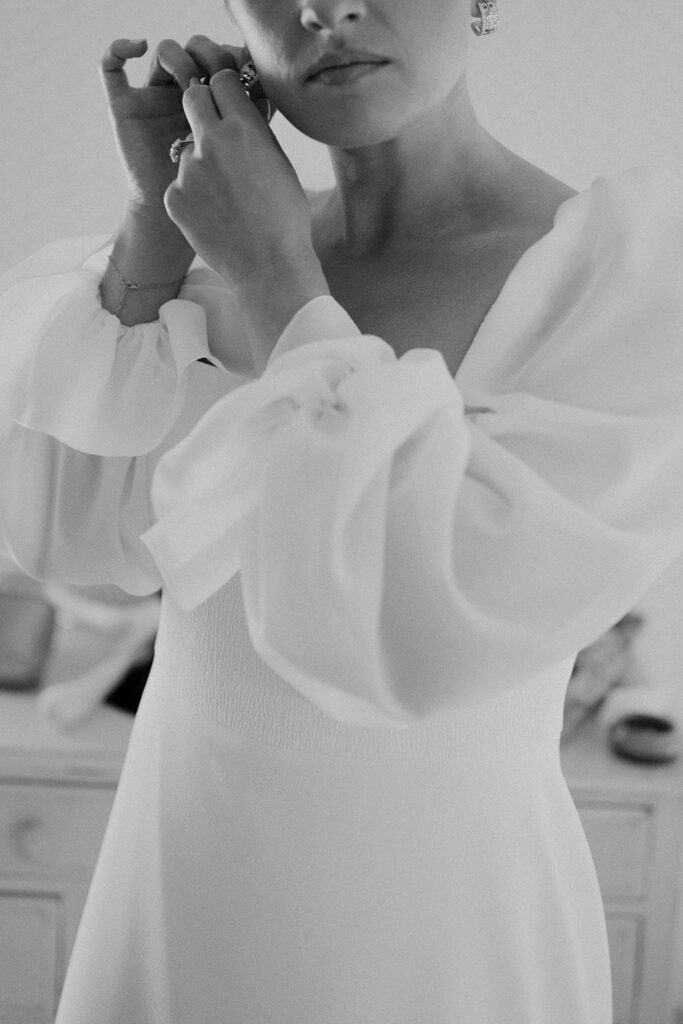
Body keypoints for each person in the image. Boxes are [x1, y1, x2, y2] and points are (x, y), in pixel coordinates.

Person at [1, 1, 682, 1021]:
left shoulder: (620, 277)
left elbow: (412, 635)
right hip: (183, 867)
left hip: (438, 910)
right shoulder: (218, 245)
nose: (327, 8)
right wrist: (155, 225)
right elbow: (71, 537)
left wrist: (279, 280)